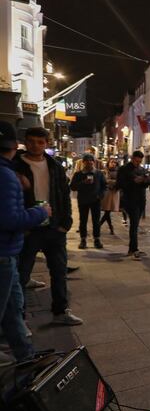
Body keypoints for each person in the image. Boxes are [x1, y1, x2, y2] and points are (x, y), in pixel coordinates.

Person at [14, 127, 83, 325]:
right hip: (28, 227)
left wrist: (66, 222)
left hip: (53, 227)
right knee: (21, 274)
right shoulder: (16, 166)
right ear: (25, 142)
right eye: (31, 141)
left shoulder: (54, 165)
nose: (35, 145)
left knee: (59, 271)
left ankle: (61, 311)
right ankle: (18, 319)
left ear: (47, 143)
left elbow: (64, 194)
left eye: (40, 142)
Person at [0, 121, 49, 361]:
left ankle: (25, 356)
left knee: (12, 309)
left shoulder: (10, 173)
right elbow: (10, 219)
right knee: (8, 307)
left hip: (8, 251)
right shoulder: (7, 175)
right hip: (4, 251)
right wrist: (42, 213)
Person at [117, 151, 150, 260]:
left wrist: (146, 180)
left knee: (135, 224)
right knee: (134, 224)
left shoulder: (142, 169)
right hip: (130, 200)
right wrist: (134, 181)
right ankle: (134, 249)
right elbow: (120, 184)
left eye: (140, 161)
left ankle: (132, 248)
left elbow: (146, 185)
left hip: (141, 199)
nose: (138, 163)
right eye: (136, 161)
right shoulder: (124, 169)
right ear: (132, 158)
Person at [70, 154, 107, 250]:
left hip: (96, 200)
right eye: (87, 162)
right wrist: (83, 182)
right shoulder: (78, 174)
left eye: (91, 162)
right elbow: (72, 187)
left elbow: (104, 186)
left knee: (96, 221)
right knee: (83, 220)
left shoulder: (99, 173)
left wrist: (101, 195)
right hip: (83, 200)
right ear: (83, 163)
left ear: (93, 162)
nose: (89, 164)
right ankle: (83, 240)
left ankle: (97, 239)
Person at [99, 158, 120, 235]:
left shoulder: (119, 172)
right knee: (107, 210)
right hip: (107, 192)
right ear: (108, 163)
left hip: (115, 192)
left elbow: (120, 181)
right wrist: (113, 182)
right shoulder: (104, 171)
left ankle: (100, 226)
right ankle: (109, 227)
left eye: (115, 162)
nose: (113, 163)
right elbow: (105, 181)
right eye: (111, 162)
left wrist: (111, 182)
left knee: (108, 211)